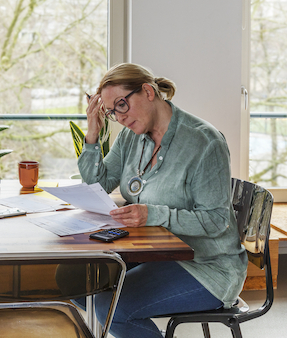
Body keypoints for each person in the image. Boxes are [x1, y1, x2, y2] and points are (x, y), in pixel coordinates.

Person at [78, 63, 247, 338]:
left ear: (147, 91)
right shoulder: (131, 138)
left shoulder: (205, 143)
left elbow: (217, 222)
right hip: (156, 253)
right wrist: (93, 135)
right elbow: (96, 186)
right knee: (75, 282)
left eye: (122, 105)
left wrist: (151, 214)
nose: (119, 118)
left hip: (208, 266)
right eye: (111, 112)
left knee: (110, 307)